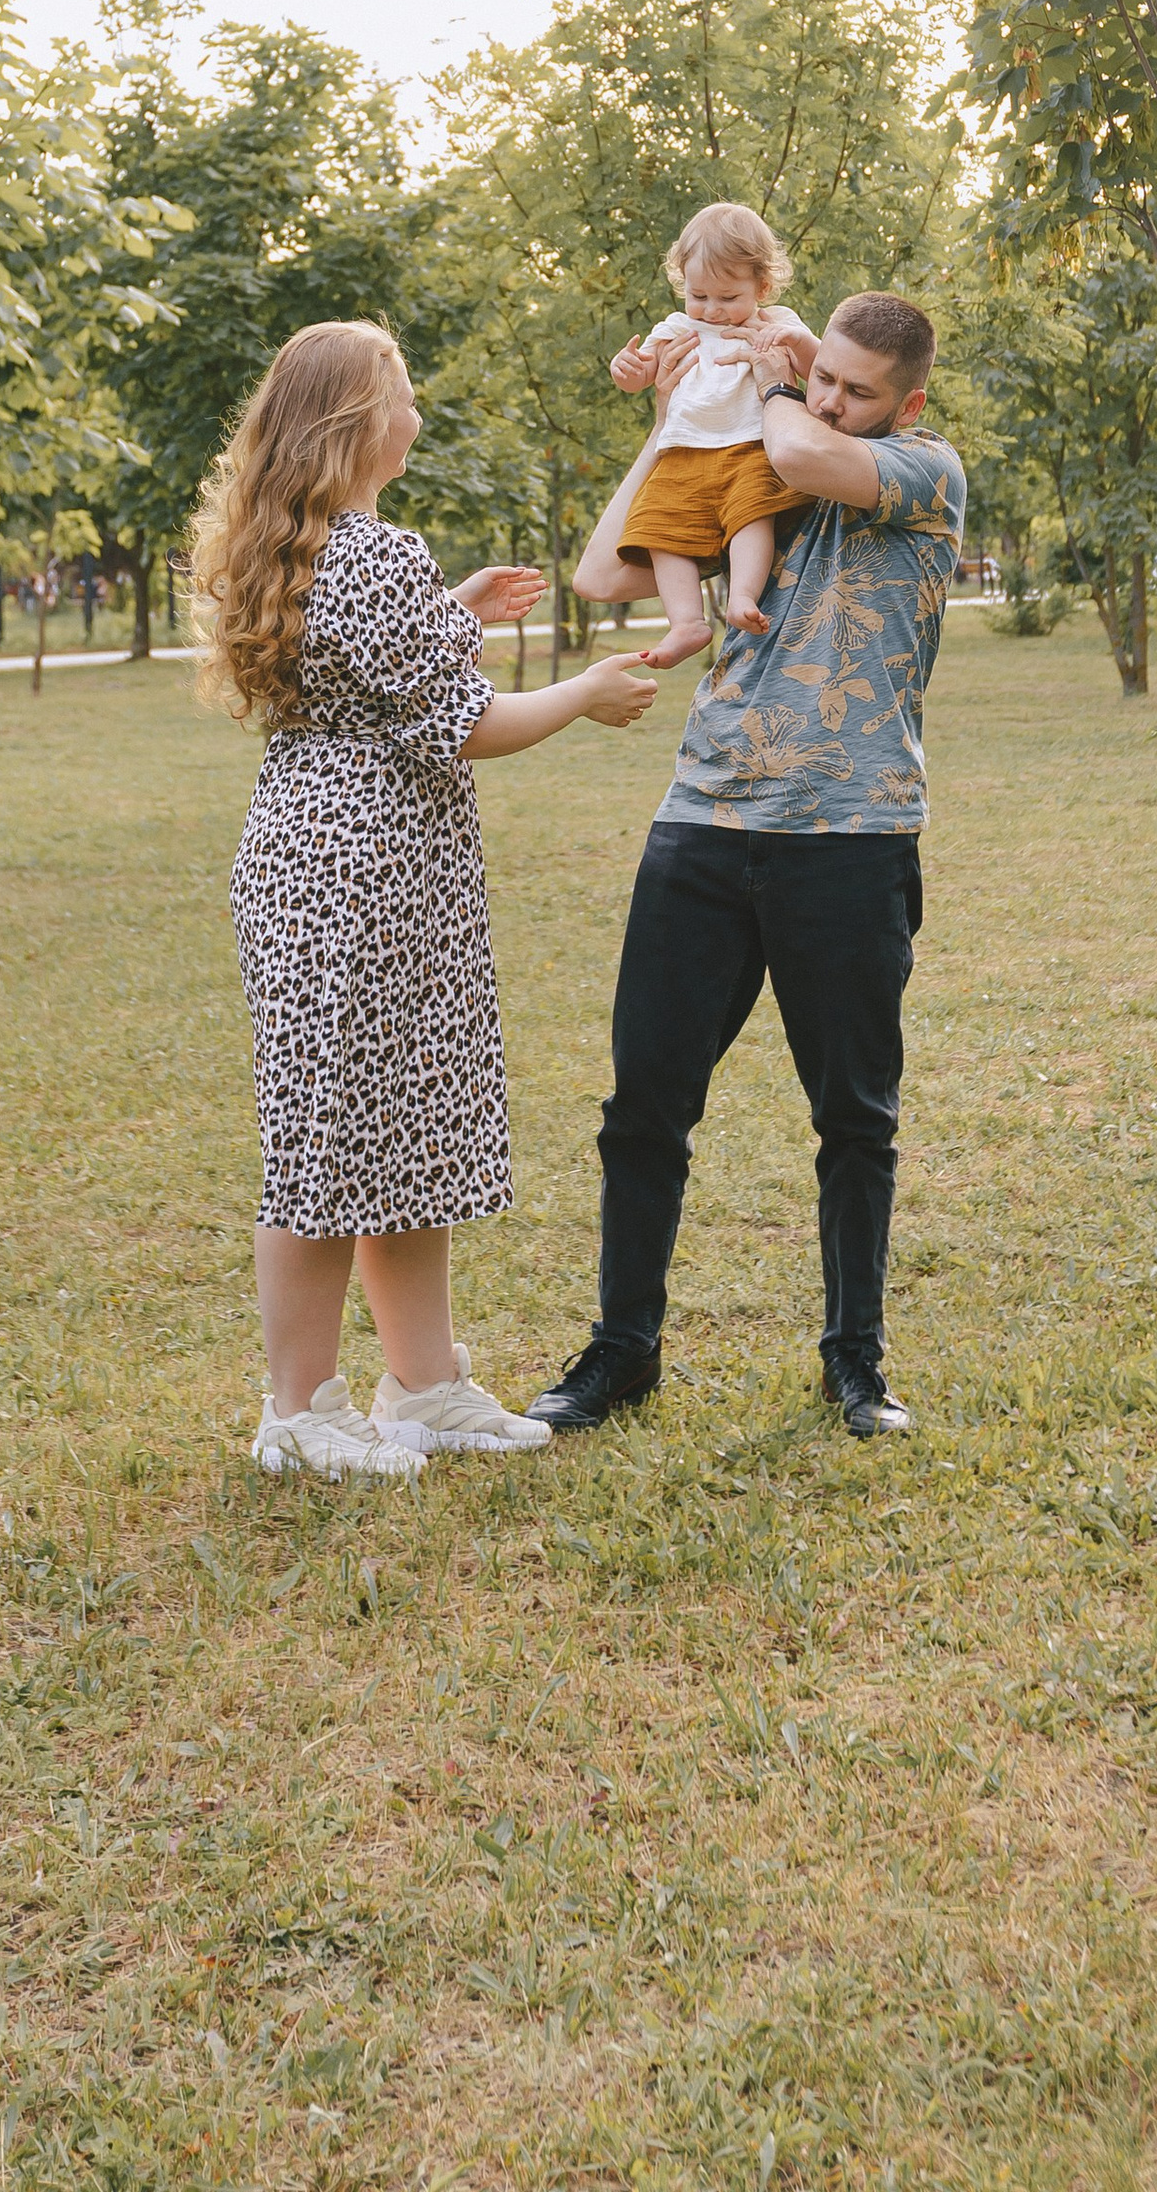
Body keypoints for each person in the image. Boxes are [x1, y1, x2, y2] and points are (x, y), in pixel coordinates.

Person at [190, 318, 659, 1483]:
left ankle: (424, 1383)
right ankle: (298, 1410)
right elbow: (466, 724)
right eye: (402, 396)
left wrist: (454, 607)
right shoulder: (375, 555)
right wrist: (583, 691)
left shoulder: (295, 547)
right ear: (357, 421)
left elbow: (361, 669)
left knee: (403, 1121)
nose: (417, 417)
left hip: (318, 858)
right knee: (329, 1139)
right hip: (364, 874)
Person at [526, 289, 964, 1443]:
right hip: (704, 824)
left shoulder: (921, 469)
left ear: (904, 401)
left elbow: (804, 447)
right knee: (643, 1108)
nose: (829, 400)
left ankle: (853, 1366)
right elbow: (600, 575)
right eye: (824, 379)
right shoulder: (754, 462)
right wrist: (674, 422)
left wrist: (770, 381)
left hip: (850, 837)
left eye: (853, 386)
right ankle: (622, 1356)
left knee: (854, 1117)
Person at [607, 199, 817, 665]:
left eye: (727, 298)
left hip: (750, 448)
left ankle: (742, 596)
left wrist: (797, 341)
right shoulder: (678, 326)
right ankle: (686, 622)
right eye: (699, 295)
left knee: (751, 517)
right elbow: (643, 373)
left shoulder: (776, 322)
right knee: (659, 529)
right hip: (682, 453)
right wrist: (629, 370)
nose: (712, 311)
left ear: (762, 286)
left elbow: (817, 368)